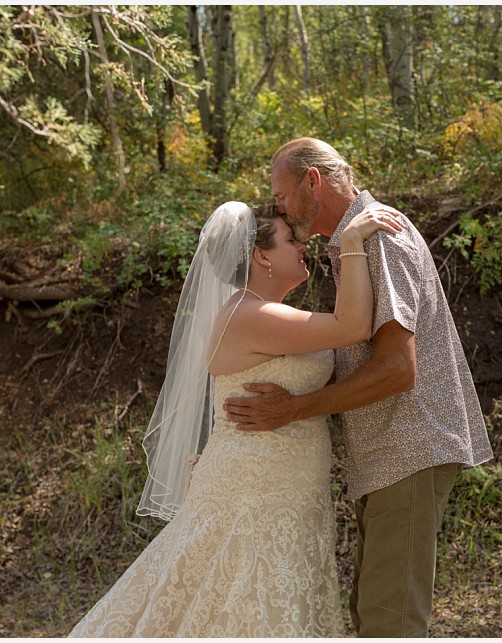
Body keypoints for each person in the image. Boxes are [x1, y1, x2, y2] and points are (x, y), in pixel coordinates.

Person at [67, 200, 402, 637]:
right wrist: (353, 239)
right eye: (291, 239)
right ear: (262, 255)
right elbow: (352, 326)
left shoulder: (267, 313)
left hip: (287, 488)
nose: (303, 244)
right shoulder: (250, 315)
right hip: (253, 490)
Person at [223, 138, 494, 637]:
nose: (276, 206)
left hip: (408, 445)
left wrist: (295, 409)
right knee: (372, 614)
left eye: (280, 195)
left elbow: (397, 369)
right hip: (386, 454)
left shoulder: (379, 237)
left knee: (390, 621)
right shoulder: (351, 242)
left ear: (313, 181)